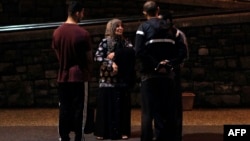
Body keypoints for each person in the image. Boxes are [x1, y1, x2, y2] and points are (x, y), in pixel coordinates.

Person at [135, 1, 187, 141]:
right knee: (165, 112)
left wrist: (155, 64)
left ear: (144, 12)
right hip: (167, 76)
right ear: (158, 10)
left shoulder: (143, 28)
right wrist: (169, 64)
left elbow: (139, 51)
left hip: (149, 75)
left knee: (147, 113)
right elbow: (182, 52)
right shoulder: (171, 29)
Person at [51, 1, 93, 141]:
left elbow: (57, 53)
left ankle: (64, 136)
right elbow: (88, 57)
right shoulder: (83, 33)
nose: (83, 15)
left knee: (64, 107)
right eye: (82, 12)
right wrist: (88, 70)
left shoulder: (57, 32)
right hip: (79, 76)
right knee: (79, 109)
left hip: (63, 75)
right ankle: (79, 137)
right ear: (77, 12)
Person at [94, 18, 136, 140]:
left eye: (121, 26)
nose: (120, 28)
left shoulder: (125, 42)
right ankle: (103, 131)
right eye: (117, 26)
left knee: (121, 106)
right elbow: (98, 57)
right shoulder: (105, 42)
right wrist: (110, 63)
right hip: (108, 80)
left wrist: (117, 55)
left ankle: (122, 131)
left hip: (121, 79)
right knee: (106, 105)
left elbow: (132, 52)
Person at [159, 12, 189, 141]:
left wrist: (172, 64)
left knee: (174, 103)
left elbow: (184, 54)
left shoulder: (177, 35)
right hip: (163, 71)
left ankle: (175, 133)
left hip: (172, 71)